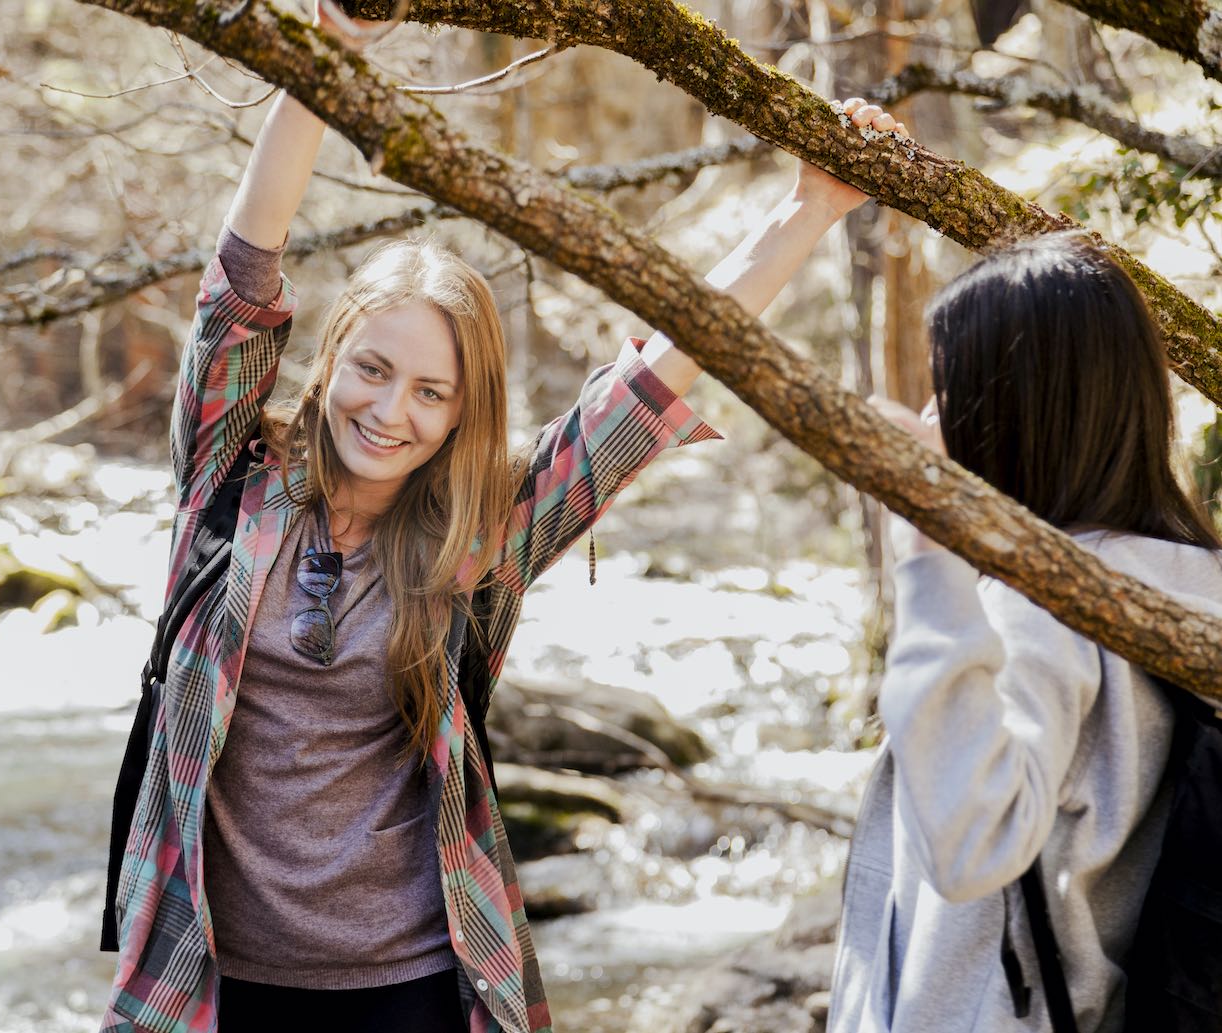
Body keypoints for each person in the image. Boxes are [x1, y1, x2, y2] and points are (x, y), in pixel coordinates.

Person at [100, 7, 897, 1028]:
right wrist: (323, 59)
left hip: (420, 988)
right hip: (210, 982)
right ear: (333, 354)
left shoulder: (484, 531)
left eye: (430, 392)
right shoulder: (227, 474)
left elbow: (648, 384)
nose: (390, 412)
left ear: (463, 409)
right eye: (372, 370)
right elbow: (242, 276)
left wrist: (805, 212)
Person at [828, 232, 1222, 1033]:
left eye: (951, 390)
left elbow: (970, 843)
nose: (936, 418)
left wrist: (926, 543)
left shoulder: (1044, 607)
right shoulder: (1191, 577)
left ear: (1015, 410)